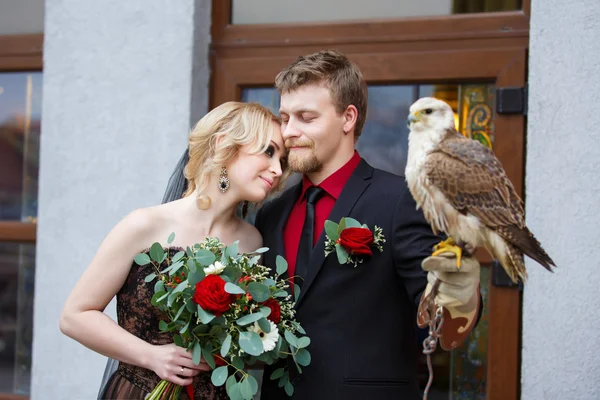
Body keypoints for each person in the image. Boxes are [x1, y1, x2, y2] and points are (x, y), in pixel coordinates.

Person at [253, 50, 482, 399]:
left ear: (348, 118)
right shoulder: (271, 213)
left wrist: (460, 296)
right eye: (284, 118)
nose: (289, 132)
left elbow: (443, 320)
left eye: (305, 117)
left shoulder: (403, 200)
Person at [60, 101, 289, 400]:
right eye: (269, 151)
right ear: (224, 144)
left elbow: (246, 342)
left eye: (282, 159)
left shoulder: (252, 242)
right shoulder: (144, 224)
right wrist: (151, 356)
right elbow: (74, 316)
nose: (277, 169)